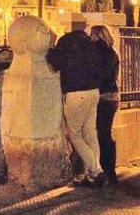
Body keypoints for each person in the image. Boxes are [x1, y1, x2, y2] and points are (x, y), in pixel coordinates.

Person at [46, 14, 105, 189]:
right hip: (93, 92)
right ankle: (92, 176)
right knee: (90, 133)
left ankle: (96, 170)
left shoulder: (65, 41)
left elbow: (55, 65)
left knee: (74, 135)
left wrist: (50, 46)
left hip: (75, 93)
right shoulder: (92, 43)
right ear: (84, 26)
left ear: (69, 26)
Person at [91, 25, 119, 186]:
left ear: (100, 35)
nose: (90, 38)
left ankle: (108, 171)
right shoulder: (111, 52)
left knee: (103, 133)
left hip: (106, 97)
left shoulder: (107, 54)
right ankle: (107, 170)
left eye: (93, 35)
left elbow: (102, 75)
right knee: (103, 133)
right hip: (109, 97)